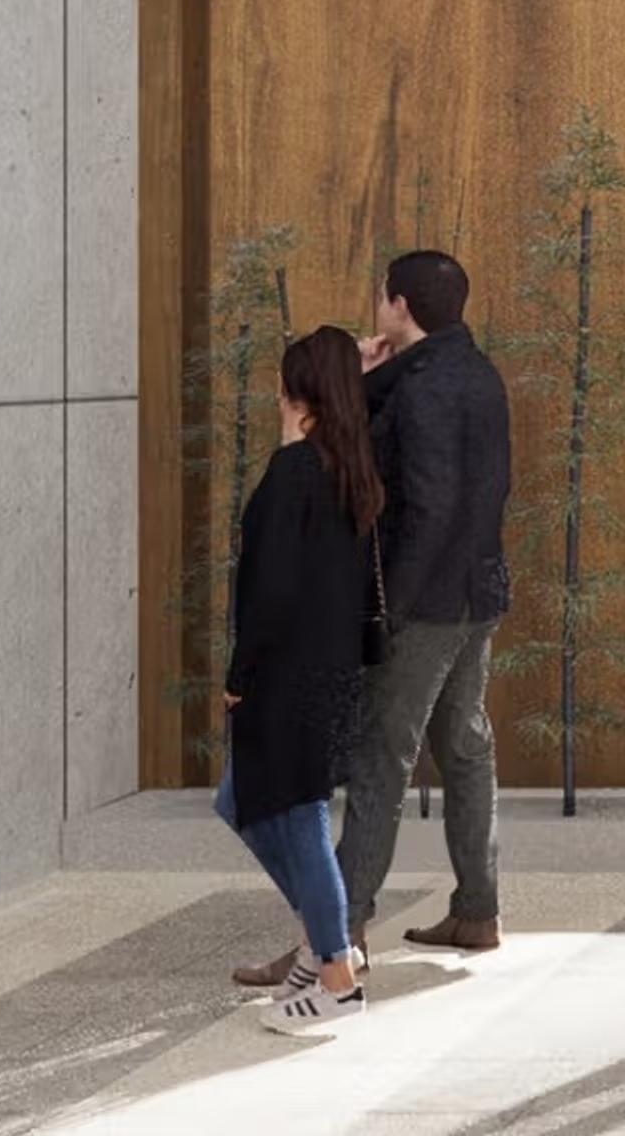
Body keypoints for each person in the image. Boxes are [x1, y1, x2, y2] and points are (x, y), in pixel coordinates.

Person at [334, 250, 514, 958]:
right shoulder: (476, 375)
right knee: (465, 747)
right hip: (478, 593)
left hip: (428, 603)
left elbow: (429, 508)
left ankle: (338, 934)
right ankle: (478, 912)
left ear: (400, 306)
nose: (378, 310)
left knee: (382, 755)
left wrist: (394, 610)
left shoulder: (425, 388)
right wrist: (372, 378)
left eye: (383, 299)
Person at [222, 328, 384, 1034]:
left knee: (299, 815)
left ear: (296, 395)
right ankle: (330, 941)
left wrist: (239, 673)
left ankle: (337, 976)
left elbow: (271, 592)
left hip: (287, 673)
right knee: (241, 802)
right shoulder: (349, 467)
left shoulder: (295, 473)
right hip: (332, 670)